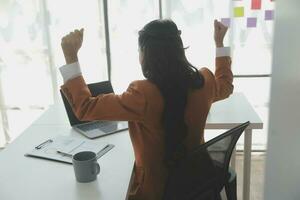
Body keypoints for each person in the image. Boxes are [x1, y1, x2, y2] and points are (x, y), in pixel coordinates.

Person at [59, 19, 233, 200]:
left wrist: (71, 57)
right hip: (198, 183)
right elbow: (225, 85)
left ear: (145, 54)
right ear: (179, 51)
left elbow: (85, 107)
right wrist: (219, 44)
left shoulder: (142, 95)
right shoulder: (203, 82)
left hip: (154, 192)